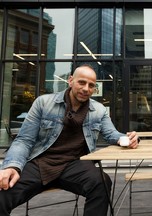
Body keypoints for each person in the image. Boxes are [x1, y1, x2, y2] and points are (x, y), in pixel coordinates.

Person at [0, 64, 139, 216]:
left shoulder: (98, 110)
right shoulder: (43, 103)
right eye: (82, 82)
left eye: (91, 85)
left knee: (101, 182)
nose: (86, 89)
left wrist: (126, 138)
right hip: (40, 162)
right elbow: (24, 140)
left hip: (75, 164)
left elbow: (111, 133)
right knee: (3, 191)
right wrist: (12, 166)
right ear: (70, 80)